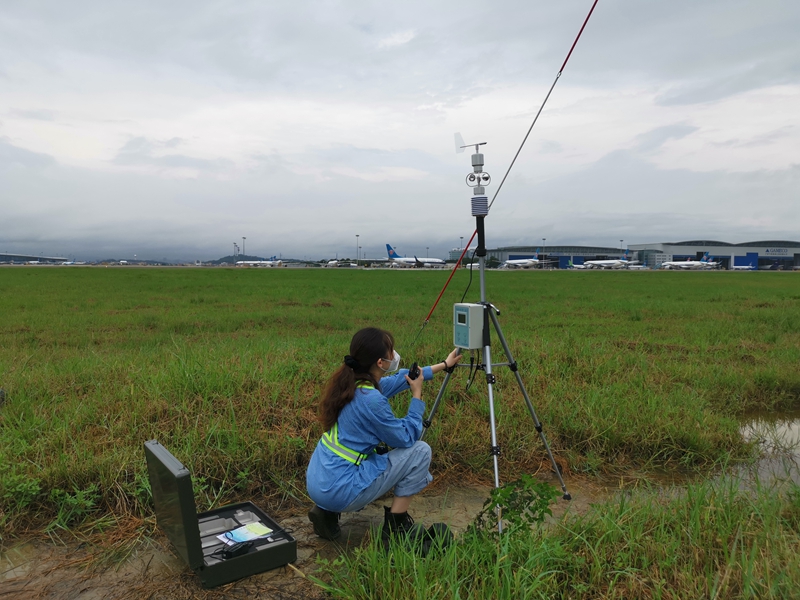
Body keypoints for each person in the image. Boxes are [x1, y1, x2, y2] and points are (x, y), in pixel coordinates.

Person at [306, 327, 459, 542]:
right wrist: (417, 395)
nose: (394, 354)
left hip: (318, 481)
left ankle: (325, 512)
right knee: (420, 451)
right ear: (380, 362)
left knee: (372, 453)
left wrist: (444, 365)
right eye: (391, 351)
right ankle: (397, 528)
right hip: (340, 490)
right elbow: (406, 437)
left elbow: (399, 379)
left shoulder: (351, 383)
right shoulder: (372, 400)